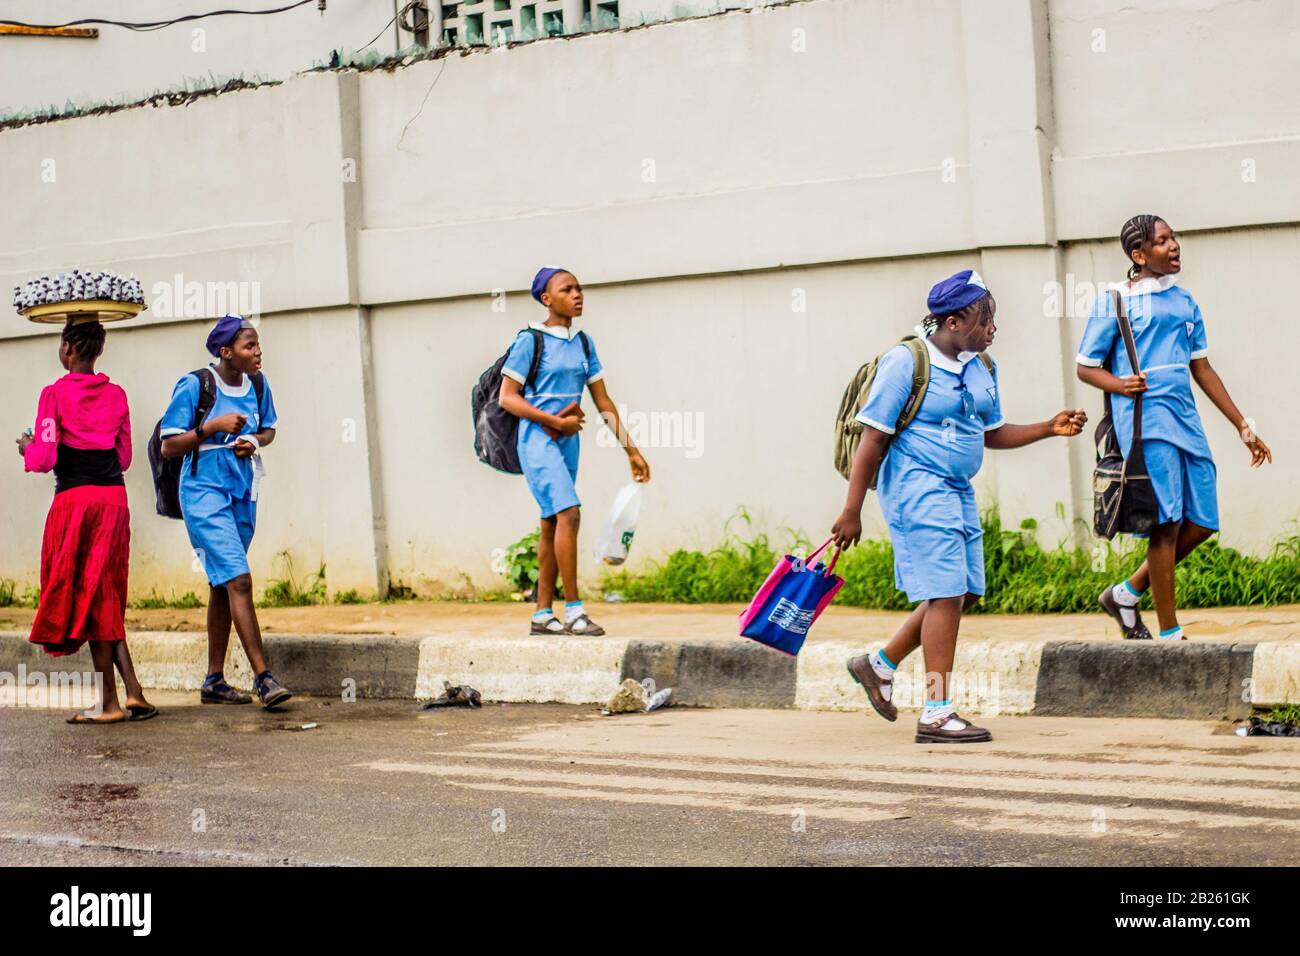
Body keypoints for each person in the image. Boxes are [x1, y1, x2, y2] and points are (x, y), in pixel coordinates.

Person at [833, 270, 1087, 743]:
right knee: (946, 593)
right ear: (953, 321)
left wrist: (1048, 428)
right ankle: (936, 711)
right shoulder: (907, 362)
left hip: (957, 489)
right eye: (985, 320)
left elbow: (991, 433)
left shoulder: (982, 366)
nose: (993, 329)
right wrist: (852, 510)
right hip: (915, 488)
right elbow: (872, 437)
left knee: (964, 591)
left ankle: (879, 664)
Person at [1077, 215, 1271, 641]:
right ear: (1139, 255)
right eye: (1162, 241)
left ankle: (1126, 594)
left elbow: (1201, 367)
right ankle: (1169, 633)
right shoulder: (1115, 301)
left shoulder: (1185, 301)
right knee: (1165, 522)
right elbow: (1086, 367)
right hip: (1145, 423)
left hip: (1186, 419)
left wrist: (1243, 426)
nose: (1174, 245)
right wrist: (1119, 384)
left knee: (1201, 521)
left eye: (1173, 238)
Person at [16, 319, 156, 724]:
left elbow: (43, 460)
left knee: (89, 593)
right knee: (105, 589)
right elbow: (125, 458)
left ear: (67, 350)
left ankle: (108, 703)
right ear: (99, 350)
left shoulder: (53, 394)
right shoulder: (117, 395)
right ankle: (133, 692)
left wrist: (27, 447)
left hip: (75, 504)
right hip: (113, 502)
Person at [497, 267, 650, 636]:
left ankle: (541, 614)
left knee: (552, 522)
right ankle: (576, 612)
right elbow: (507, 398)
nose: (577, 294)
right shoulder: (530, 341)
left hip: (568, 441)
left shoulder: (583, 343)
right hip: (537, 440)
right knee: (570, 514)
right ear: (547, 299)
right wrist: (553, 420)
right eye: (567, 289)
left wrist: (631, 450)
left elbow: (602, 400)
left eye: (579, 288)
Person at [159, 315, 292, 708]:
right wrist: (212, 426)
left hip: (241, 489)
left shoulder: (257, 384)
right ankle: (264, 679)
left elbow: (269, 428)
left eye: (258, 345)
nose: (258, 352)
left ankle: (213, 680)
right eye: (249, 346)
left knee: (222, 582)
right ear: (226, 352)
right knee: (240, 579)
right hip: (203, 491)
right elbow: (170, 445)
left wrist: (252, 439)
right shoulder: (195, 384)